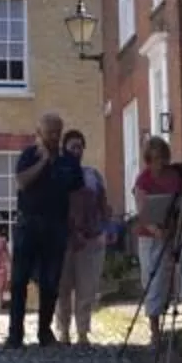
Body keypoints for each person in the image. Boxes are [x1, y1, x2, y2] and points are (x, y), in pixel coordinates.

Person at [5, 110, 82, 346]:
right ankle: (15, 334)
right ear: (39, 133)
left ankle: (44, 332)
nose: (54, 137)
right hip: (29, 224)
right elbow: (22, 181)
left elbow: (77, 192)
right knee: (19, 281)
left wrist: (75, 224)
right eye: (49, 133)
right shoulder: (29, 155)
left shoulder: (69, 161)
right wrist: (43, 162)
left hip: (56, 225)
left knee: (50, 281)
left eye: (57, 132)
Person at [131, 135, 182, 321]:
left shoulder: (173, 177)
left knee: (181, 273)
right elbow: (143, 213)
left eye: (163, 158)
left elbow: (181, 202)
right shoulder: (143, 180)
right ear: (148, 160)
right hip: (150, 236)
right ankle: (154, 327)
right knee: (152, 280)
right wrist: (157, 232)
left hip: (172, 230)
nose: (161, 163)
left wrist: (175, 228)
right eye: (156, 159)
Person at [57, 131, 107, 344]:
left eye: (79, 146)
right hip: (64, 239)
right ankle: (64, 331)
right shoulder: (57, 173)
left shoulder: (92, 175)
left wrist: (105, 229)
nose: (76, 151)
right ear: (64, 149)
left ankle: (83, 331)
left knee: (87, 287)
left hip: (89, 238)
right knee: (63, 288)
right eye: (72, 146)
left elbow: (103, 204)